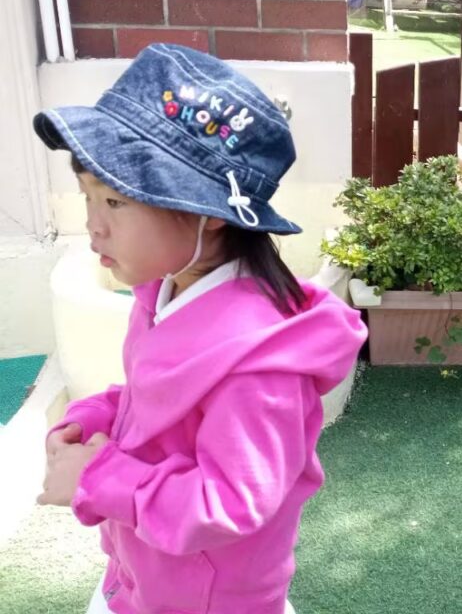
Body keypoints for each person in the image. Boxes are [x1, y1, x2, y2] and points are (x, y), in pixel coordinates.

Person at [34, 43, 367, 613]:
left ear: (208, 214)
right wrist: (94, 416)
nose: (93, 226)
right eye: (88, 196)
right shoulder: (165, 291)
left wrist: (98, 479)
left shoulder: (258, 365)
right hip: (148, 574)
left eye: (115, 201)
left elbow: (231, 503)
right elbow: (154, 402)